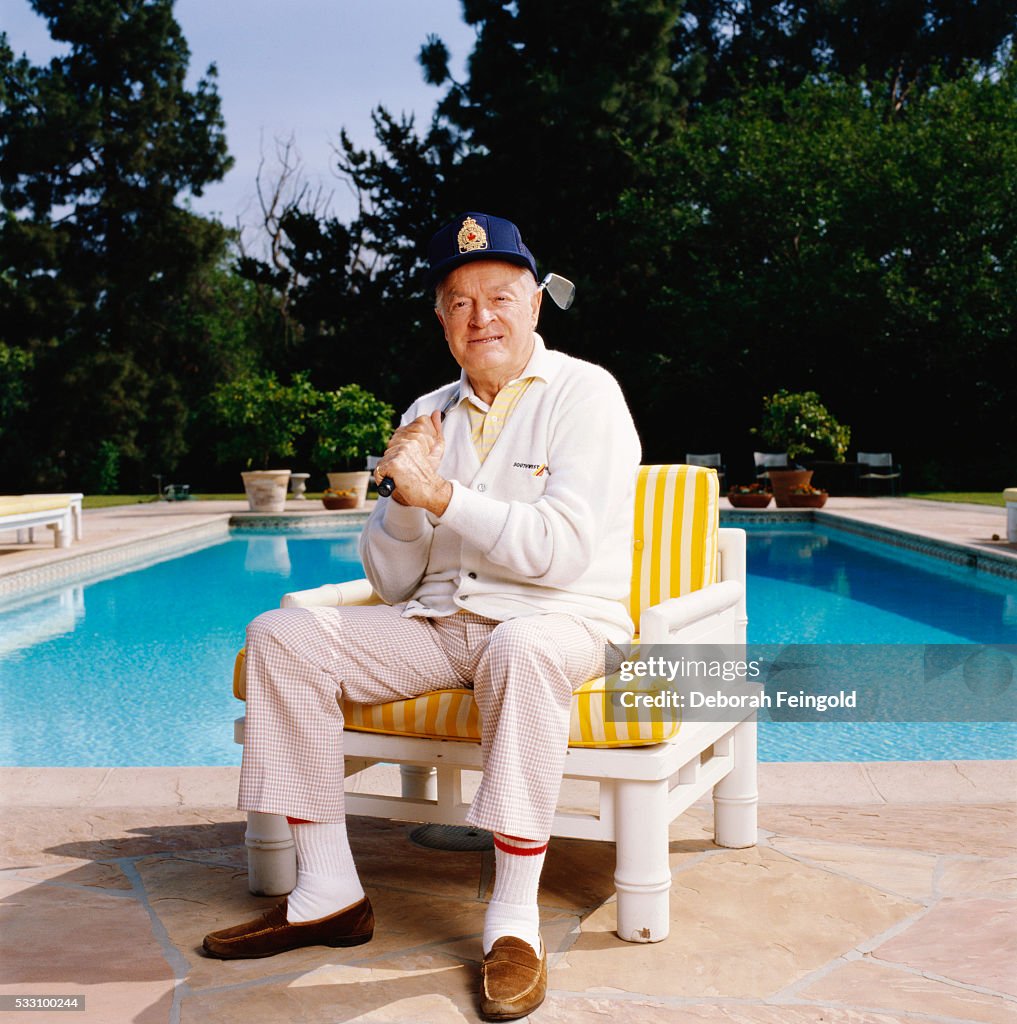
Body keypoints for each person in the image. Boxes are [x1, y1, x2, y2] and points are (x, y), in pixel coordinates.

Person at [203, 212, 641, 1021]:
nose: (482, 317)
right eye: (459, 302)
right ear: (441, 321)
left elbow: (561, 554)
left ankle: (512, 920)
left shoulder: (588, 394)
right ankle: (328, 890)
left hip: (561, 620)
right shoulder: (426, 408)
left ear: (535, 302)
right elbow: (394, 578)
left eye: (499, 296)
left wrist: (441, 494)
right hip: (439, 627)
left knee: (522, 647)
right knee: (280, 635)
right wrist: (403, 499)